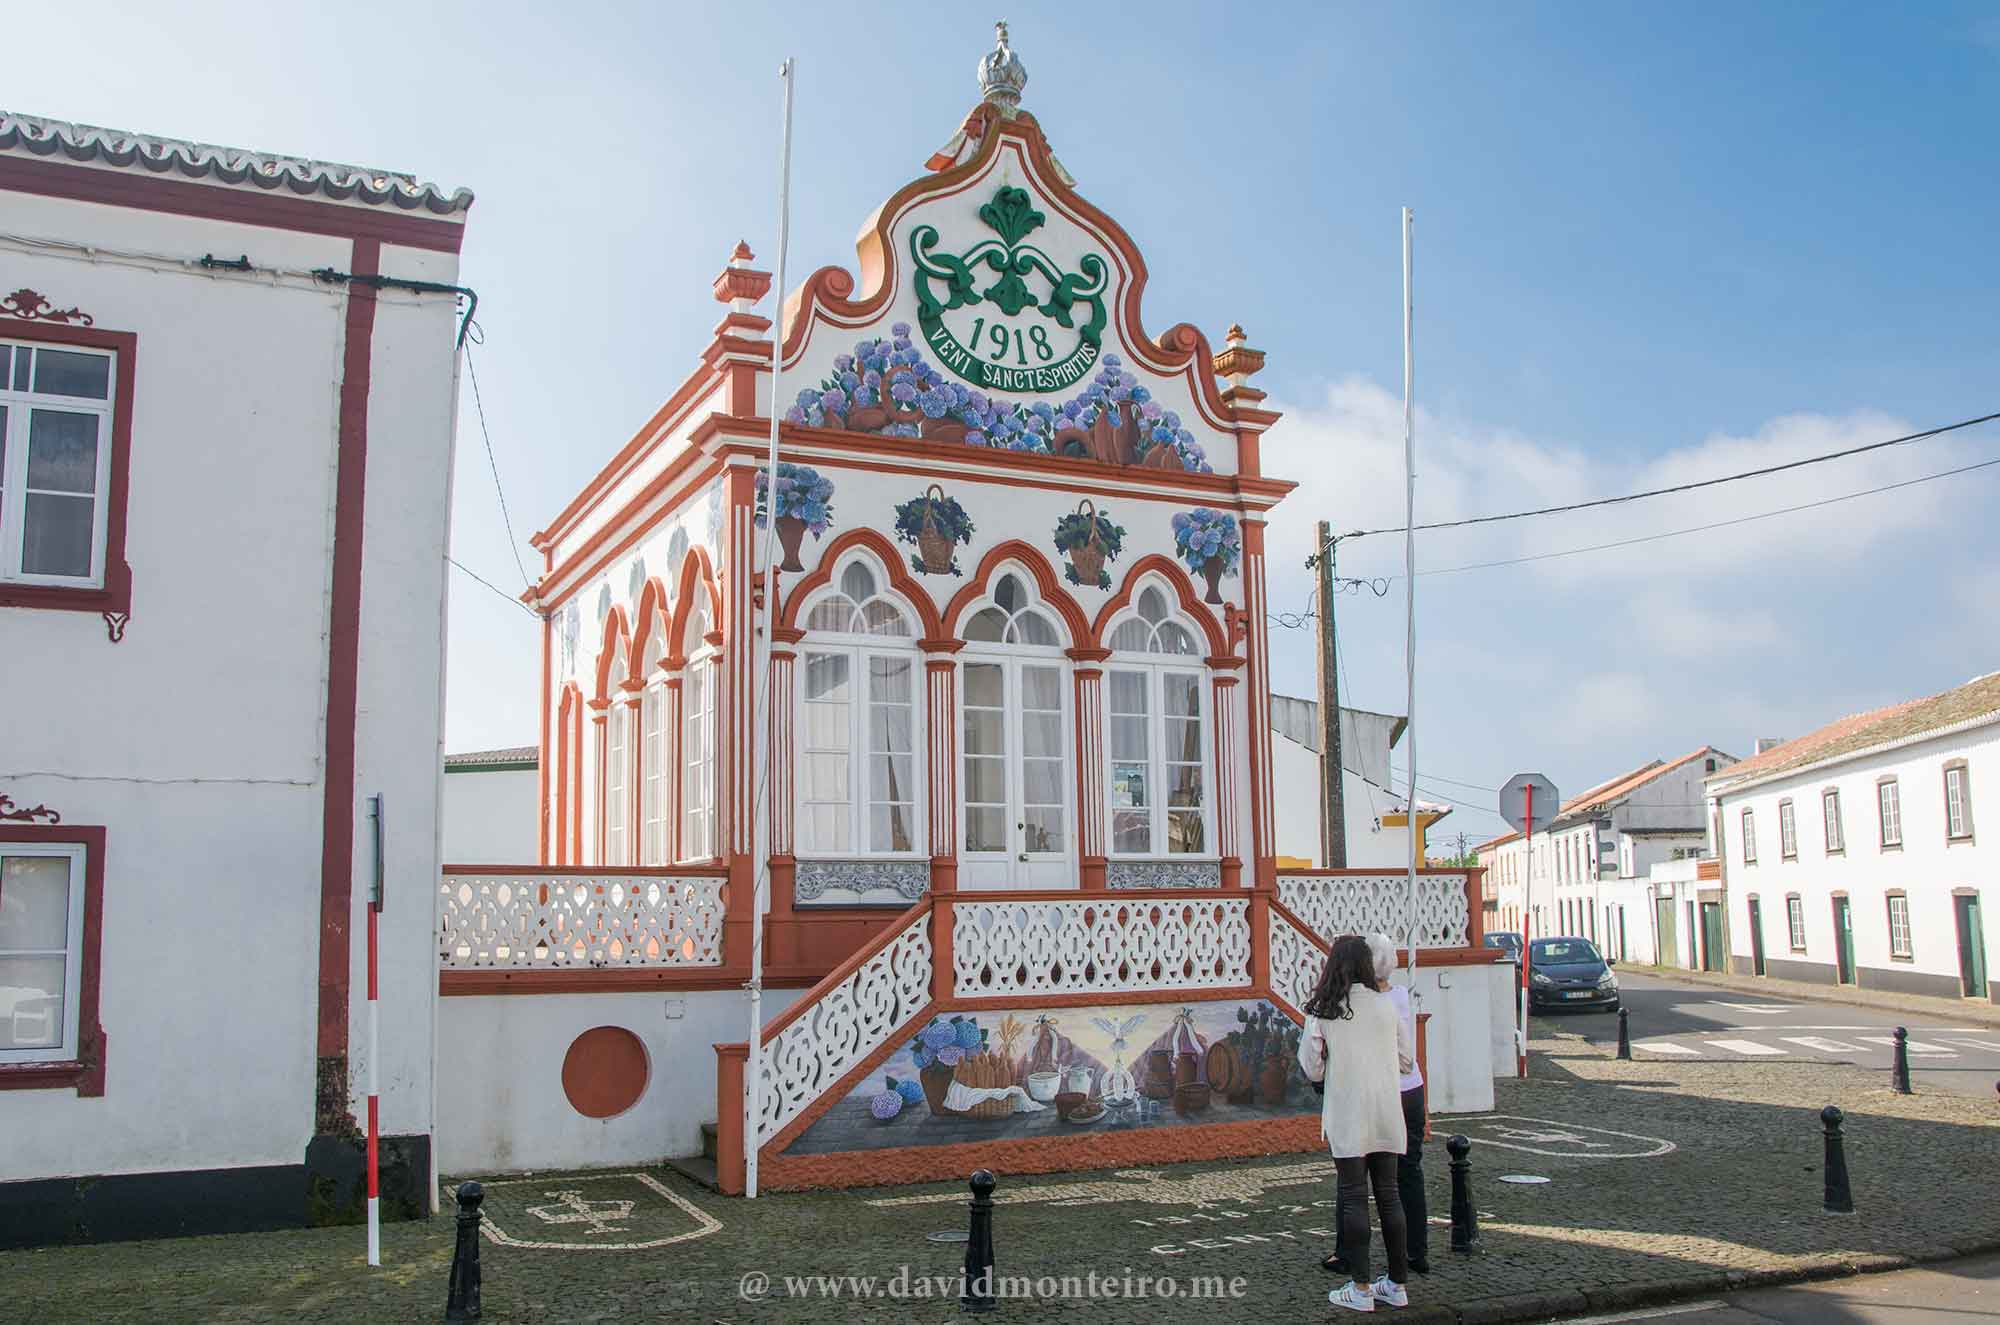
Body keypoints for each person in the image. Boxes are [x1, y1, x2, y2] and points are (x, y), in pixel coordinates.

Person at [1298, 934, 1412, 1312]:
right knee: (1389, 1194)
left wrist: (1335, 1065)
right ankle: (1396, 1283)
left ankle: (1360, 1287)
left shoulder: (1325, 1010)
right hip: (1385, 1108)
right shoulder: (1385, 1005)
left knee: (1352, 1196)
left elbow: (1310, 1064)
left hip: (1348, 1109)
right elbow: (1406, 1059)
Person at [1326, 935, 1430, 1279]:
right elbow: (1406, 1058)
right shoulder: (1396, 998)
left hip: (1368, 1096)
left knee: (1353, 1186)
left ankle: (1353, 1265)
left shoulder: (1334, 1006)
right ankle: (1412, 1257)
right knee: (1403, 1180)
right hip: (1408, 1093)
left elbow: (1313, 1062)